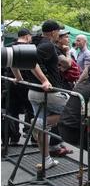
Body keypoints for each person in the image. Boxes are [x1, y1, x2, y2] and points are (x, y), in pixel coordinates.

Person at [11, 20, 70, 169]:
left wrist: (18, 78)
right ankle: (37, 122)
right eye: (59, 31)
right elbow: (31, 61)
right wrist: (44, 80)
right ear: (53, 32)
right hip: (48, 92)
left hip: (33, 92)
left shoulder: (32, 43)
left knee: (45, 128)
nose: (60, 34)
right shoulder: (48, 45)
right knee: (75, 112)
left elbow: (14, 59)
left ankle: (46, 160)